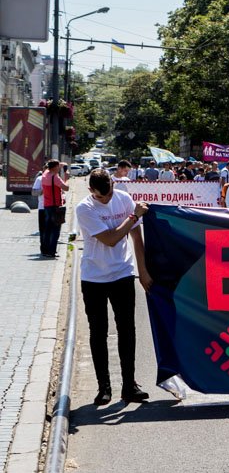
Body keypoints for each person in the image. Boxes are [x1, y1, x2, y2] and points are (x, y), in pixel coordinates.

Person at [75, 169, 152, 404]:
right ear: (91, 192)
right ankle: (104, 386)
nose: (107, 200)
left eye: (109, 193)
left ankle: (129, 384)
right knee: (98, 332)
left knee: (127, 330)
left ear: (112, 184)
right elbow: (110, 239)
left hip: (122, 273)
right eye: (101, 197)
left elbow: (136, 238)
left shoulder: (123, 199)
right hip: (94, 277)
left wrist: (143, 271)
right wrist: (132, 218)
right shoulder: (84, 208)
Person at [39, 159, 69, 258]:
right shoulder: (55, 177)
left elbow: (48, 168)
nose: (58, 168)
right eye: (58, 166)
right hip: (55, 206)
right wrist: (66, 177)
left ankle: (45, 250)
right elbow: (66, 188)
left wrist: (59, 166)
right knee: (55, 230)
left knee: (47, 229)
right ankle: (52, 251)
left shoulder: (45, 174)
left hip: (47, 205)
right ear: (55, 167)